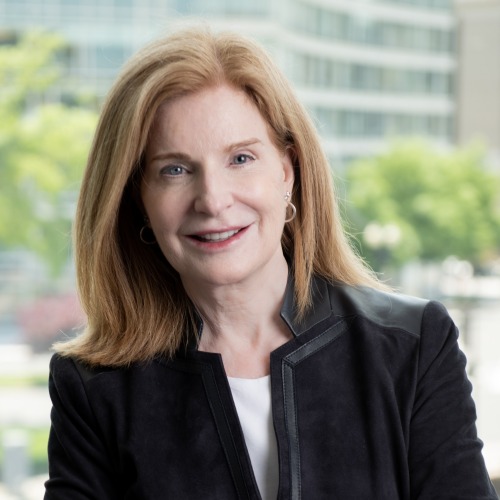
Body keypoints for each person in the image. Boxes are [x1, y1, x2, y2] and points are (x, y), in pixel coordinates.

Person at [44, 27, 498, 499]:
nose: (213, 200)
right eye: (174, 169)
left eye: (240, 158)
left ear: (287, 171)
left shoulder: (413, 346)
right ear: (138, 198)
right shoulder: (93, 388)